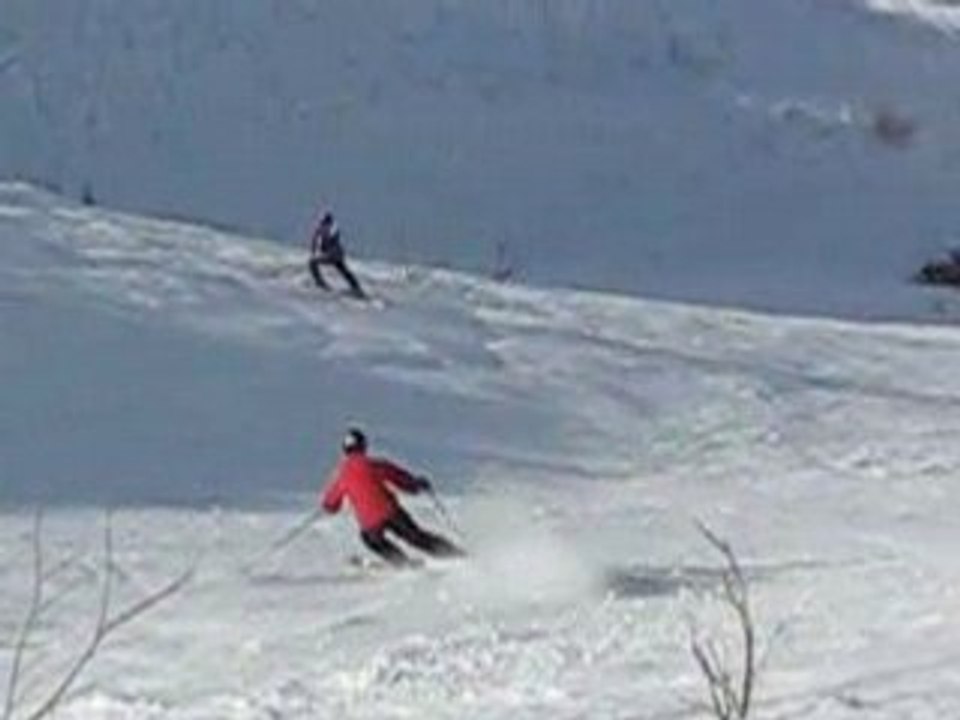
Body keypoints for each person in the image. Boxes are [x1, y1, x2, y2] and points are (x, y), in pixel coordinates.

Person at [320, 427, 464, 567]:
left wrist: (328, 505)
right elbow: (398, 477)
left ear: (345, 450)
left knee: (371, 540)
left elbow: (332, 504)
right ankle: (453, 554)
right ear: (363, 446)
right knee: (416, 537)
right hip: (391, 512)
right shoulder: (374, 465)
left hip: (370, 524)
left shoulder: (342, 475)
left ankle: (401, 563)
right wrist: (416, 484)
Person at [308, 211, 366, 298]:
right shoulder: (321, 229)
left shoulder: (332, 228)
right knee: (343, 270)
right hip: (334, 254)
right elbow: (314, 242)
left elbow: (332, 236)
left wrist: (316, 249)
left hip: (334, 254)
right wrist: (314, 250)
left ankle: (320, 282)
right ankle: (356, 287)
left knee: (312, 262)